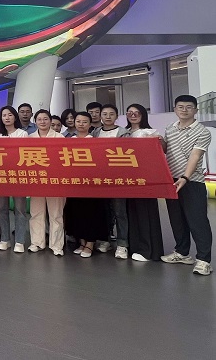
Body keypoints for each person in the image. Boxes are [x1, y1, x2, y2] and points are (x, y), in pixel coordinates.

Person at [161, 95, 213, 276]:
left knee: (198, 221)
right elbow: (166, 150)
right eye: (180, 107)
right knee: (177, 220)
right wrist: (158, 141)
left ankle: (204, 260)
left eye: (189, 107)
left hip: (192, 181)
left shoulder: (202, 132)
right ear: (175, 109)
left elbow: (195, 156)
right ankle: (182, 253)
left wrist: (185, 177)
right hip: (171, 180)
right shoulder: (170, 128)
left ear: (196, 110)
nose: (184, 110)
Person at [64, 112, 108, 258]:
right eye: (78, 121)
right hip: (74, 184)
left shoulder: (95, 141)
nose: (81, 124)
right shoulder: (68, 141)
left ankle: (90, 243)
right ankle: (82, 242)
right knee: (76, 213)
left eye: (84, 122)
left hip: (91, 185)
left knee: (91, 213)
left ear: (90, 124)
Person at [124, 104, 164, 261]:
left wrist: (159, 142)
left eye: (137, 113)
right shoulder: (125, 133)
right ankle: (135, 247)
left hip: (145, 179)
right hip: (128, 180)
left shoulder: (150, 132)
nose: (133, 115)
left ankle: (148, 250)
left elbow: (162, 150)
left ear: (143, 115)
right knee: (132, 213)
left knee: (145, 213)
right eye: (130, 112)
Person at [91, 104, 130, 257]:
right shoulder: (95, 133)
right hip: (100, 178)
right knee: (104, 210)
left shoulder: (123, 133)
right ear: (101, 116)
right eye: (105, 114)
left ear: (117, 116)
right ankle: (105, 239)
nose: (108, 117)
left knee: (120, 211)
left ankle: (122, 244)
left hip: (118, 178)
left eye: (111, 114)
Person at [28, 109, 66, 256]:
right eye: (39, 119)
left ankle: (56, 245)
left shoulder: (59, 137)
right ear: (35, 121)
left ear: (50, 121)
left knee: (56, 214)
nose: (42, 122)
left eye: (45, 119)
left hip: (55, 181)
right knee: (36, 213)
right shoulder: (29, 138)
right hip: (36, 181)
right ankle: (37, 242)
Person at [0, 106, 30, 253]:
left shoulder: (22, 133)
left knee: (20, 209)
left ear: (15, 117)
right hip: (1, 175)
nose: (7, 118)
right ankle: (5, 239)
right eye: (4, 115)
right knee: (1, 208)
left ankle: (20, 241)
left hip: (18, 175)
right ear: (1, 118)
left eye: (10, 115)